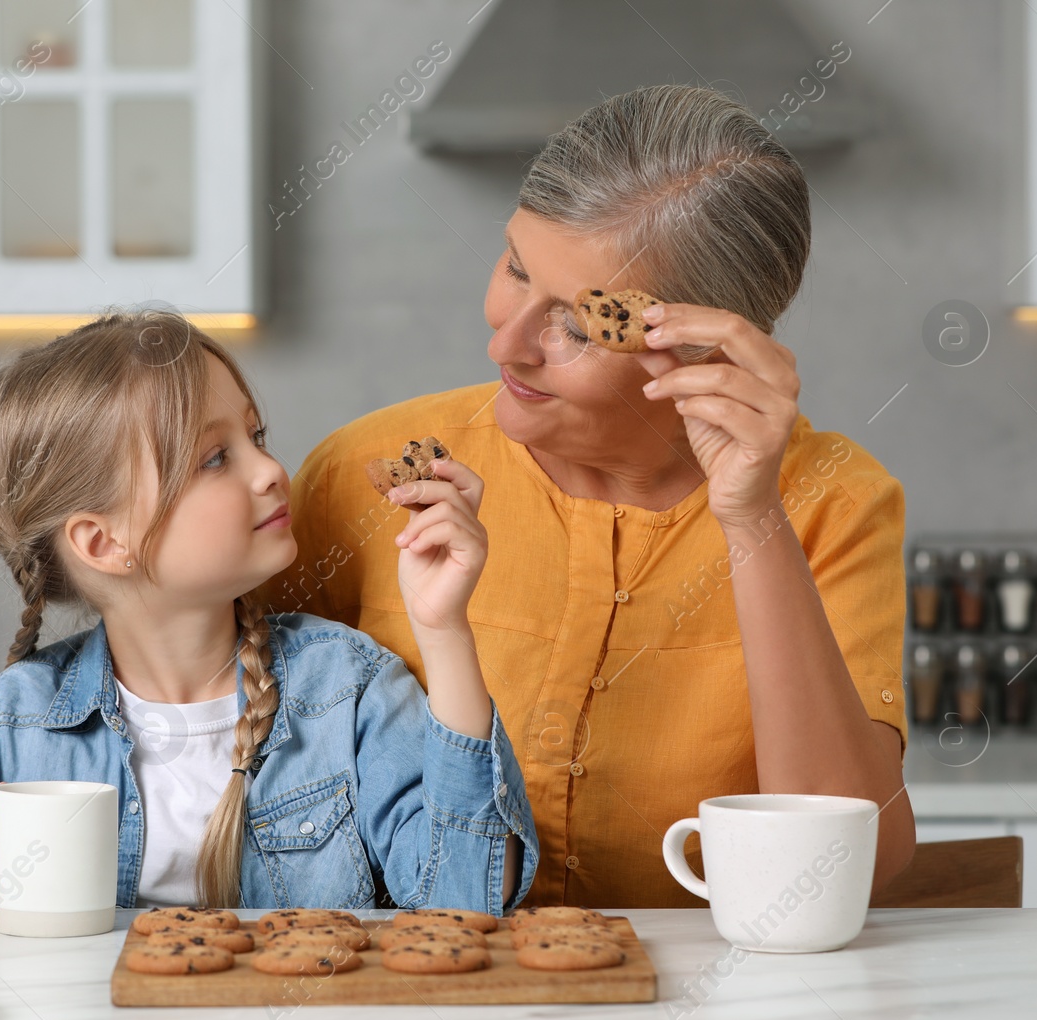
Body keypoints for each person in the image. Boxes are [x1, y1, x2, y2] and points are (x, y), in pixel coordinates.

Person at [273, 85, 915, 908]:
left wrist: (751, 515)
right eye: (515, 268)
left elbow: (851, 862)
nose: (506, 342)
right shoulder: (375, 466)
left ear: (702, 351)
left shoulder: (832, 502)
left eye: (576, 325)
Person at [0, 310, 535, 912]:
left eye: (256, 435)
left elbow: (463, 900)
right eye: (216, 458)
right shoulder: (1, 729)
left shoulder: (351, 689)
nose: (271, 470)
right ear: (104, 542)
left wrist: (444, 631)